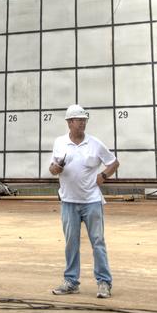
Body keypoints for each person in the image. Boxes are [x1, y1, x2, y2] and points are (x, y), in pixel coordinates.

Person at [48, 103, 119, 298]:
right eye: (79, 120)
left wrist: (103, 176)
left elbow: (113, 163)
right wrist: (56, 168)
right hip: (69, 201)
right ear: (69, 122)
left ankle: (104, 282)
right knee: (71, 242)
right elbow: (52, 168)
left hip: (91, 201)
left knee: (98, 241)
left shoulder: (95, 143)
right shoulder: (60, 142)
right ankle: (71, 281)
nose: (83, 123)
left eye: (84, 120)